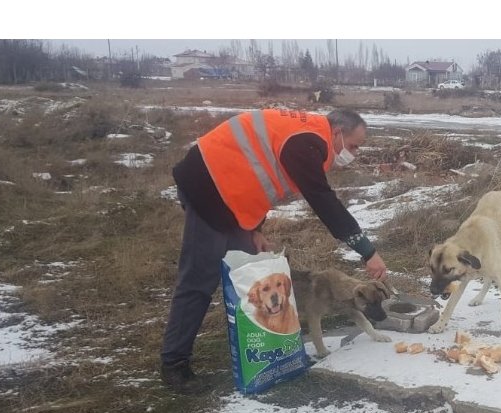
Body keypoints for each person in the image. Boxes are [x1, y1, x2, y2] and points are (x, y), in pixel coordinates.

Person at [159, 107, 387, 394]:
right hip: (207, 188)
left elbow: (260, 180)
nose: (353, 153)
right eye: (353, 145)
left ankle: (258, 349)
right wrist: (367, 251)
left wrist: (256, 228)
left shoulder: (306, 137)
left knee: (251, 275)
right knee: (198, 278)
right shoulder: (307, 140)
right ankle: (174, 364)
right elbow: (322, 199)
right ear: (338, 132)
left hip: (230, 194)